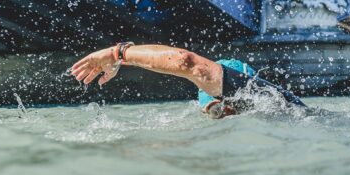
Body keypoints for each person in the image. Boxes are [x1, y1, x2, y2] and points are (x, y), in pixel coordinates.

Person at [70, 43, 305, 118]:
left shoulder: (260, 99)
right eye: (214, 112)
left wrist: (118, 54)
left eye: (222, 107)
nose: (223, 116)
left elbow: (187, 63)